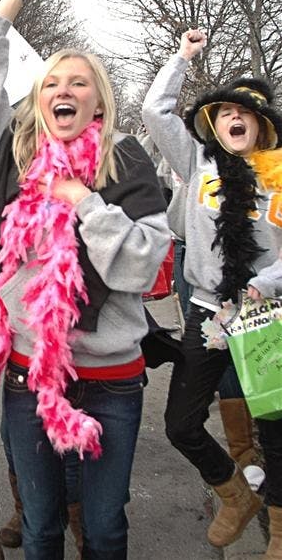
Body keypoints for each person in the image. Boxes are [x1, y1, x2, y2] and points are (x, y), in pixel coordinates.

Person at [0, 0, 171, 559]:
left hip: (111, 381)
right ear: (39, 102)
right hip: (26, 372)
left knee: (104, 526)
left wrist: (86, 204)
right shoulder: (14, 156)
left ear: (99, 102)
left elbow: (144, 266)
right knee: (40, 527)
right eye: (51, 83)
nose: (63, 90)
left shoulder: (127, 162)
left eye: (78, 82)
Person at [142, 28, 282, 553]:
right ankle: (235, 494)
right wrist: (181, 56)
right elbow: (156, 111)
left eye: (244, 113)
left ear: (262, 124)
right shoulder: (198, 165)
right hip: (208, 312)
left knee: (275, 430)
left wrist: (264, 284)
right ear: (214, 125)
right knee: (181, 422)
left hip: (270, 316)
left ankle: (279, 530)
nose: (234, 118)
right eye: (224, 113)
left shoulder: (281, 174)